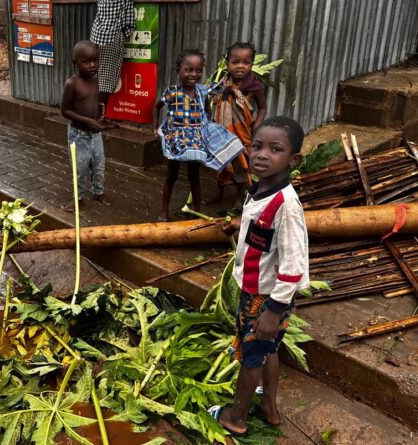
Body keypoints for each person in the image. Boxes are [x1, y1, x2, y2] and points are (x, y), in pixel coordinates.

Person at [209, 116, 309, 437]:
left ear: (293, 160)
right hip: (259, 294)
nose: (262, 154)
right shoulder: (261, 188)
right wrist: (240, 226)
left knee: (251, 357)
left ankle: (236, 416)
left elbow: (294, 264)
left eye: (275, 149)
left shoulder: (286, 205)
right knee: (269, 350)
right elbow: (264, 233)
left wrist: (274, 310)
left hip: (265, 299)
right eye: (257, 146)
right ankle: (270, 407)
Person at [151, 50, 244, 221]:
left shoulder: (202, 91)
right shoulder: (172, 91)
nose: (194, 74)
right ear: (178, 70)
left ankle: (197, 210)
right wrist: (155, 127)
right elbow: (157, 106)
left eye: (198, 70)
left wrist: (207, 125)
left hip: (195, 140)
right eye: (188, 70)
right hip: (176, 138)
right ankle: (164, 211)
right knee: (171, 175)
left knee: (194, 175)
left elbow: (208, 107)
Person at [207, 42, 267, 206]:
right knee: (221, 163)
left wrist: (257, 125)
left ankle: (239, 196)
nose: (240, 66)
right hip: (222, 133)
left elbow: (262, 108)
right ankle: (219, 192)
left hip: (243, 133)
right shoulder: (223, 84)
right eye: (235, 62)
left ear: (251, 64)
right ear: (227, 64)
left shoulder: (254, 86)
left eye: (246, 63)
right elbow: (210, 98)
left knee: (241, 164)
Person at [61, 40, 115, 212]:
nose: (92, 65)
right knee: (80, 168)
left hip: (95, 134)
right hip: (79, 134)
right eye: (87, 62)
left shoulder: (95, 80)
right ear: (75, 63)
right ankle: (78, 198)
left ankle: (98, 193)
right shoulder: (72, 84)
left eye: (95, 60)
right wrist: (87, 121)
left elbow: (94, 101)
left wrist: (99, 117)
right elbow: (65, 111)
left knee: (99, 165)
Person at [90, 0, 134, 110]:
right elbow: (129, 23)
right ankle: (99, 120)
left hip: (95, 38)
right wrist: (122, 36)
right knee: (106, 83)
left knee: (95, 78)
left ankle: (91, 115)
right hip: (113, 40)